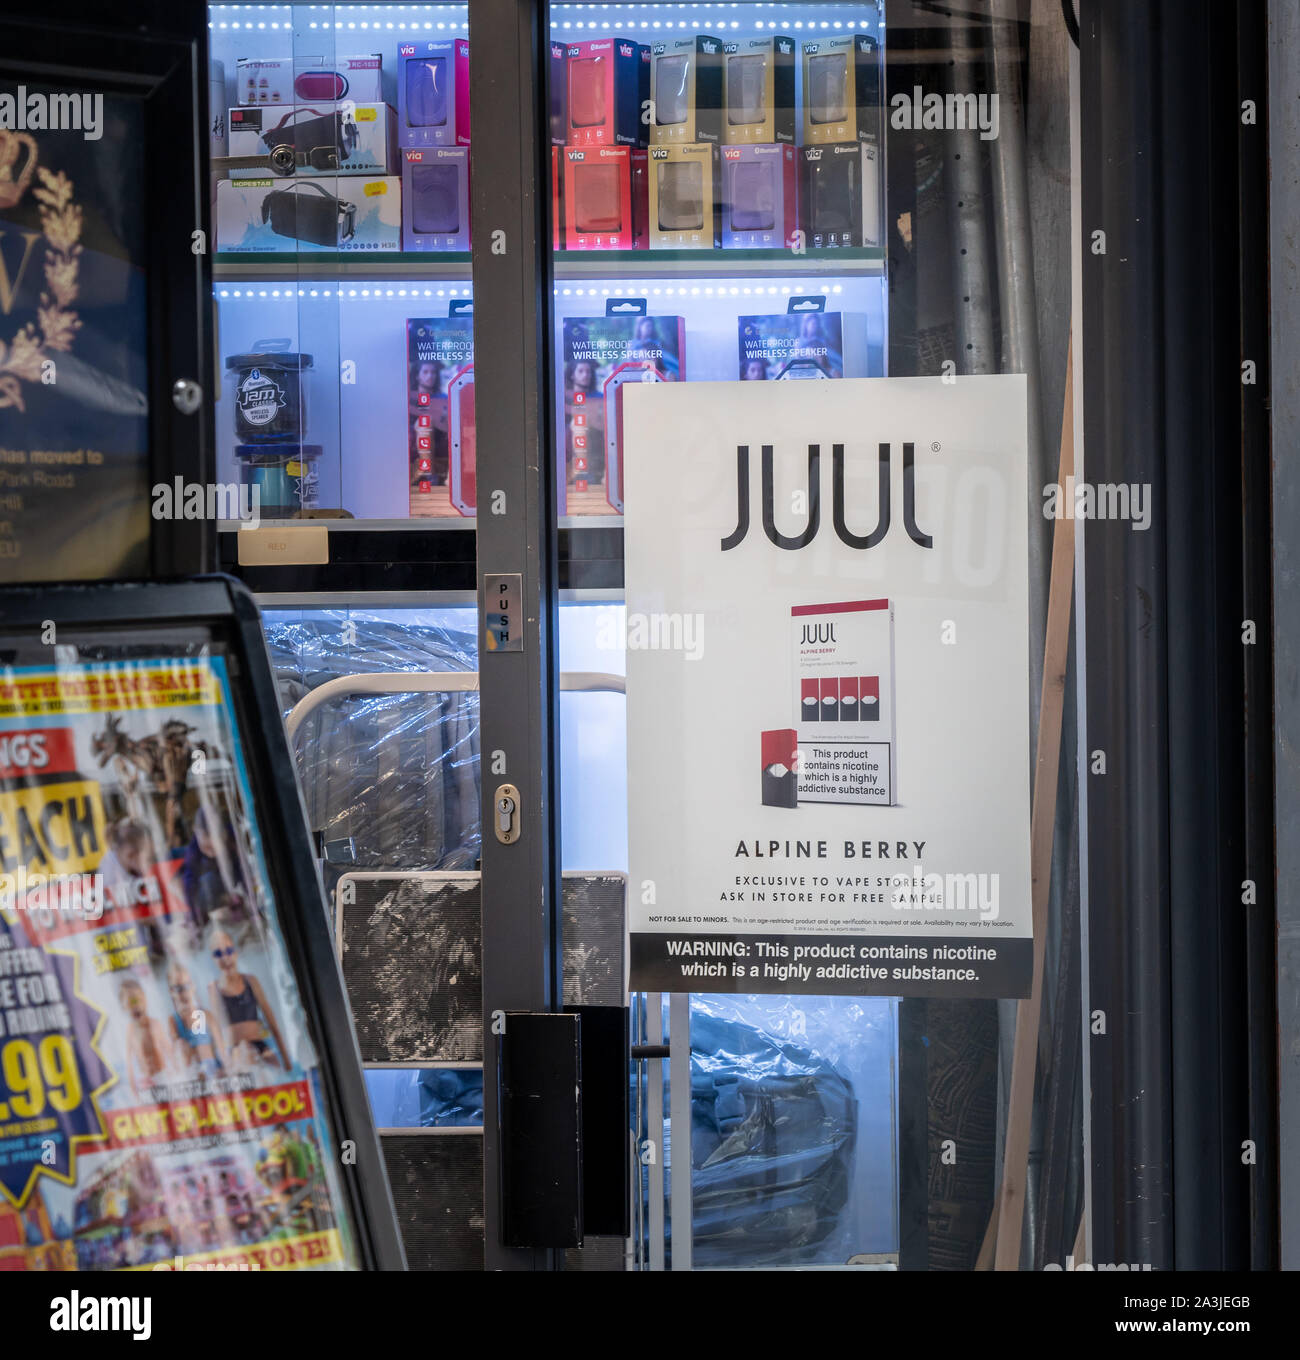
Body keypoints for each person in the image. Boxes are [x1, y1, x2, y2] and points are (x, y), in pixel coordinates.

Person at [207, 928, 290, 1073]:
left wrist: (286, 1060)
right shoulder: (213, 989)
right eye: (218, 954)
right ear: (213, 959)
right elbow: (215, 1032)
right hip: (235, 1051)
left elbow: (271, 1022)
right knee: (244, 1051)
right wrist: (224, 1064)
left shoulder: (251, 981)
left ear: (236, 953)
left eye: (228, 951)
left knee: (274, 1069)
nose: (225, 958)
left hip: (260, 1047)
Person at [178, 807, 246, 932]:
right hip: (210, 884)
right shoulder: (193, 850)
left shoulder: (233, 838)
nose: (212, 846)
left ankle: (235, 904)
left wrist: (248, 898)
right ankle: (204, 916)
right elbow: (189, 884)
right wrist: (194, 916)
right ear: (196, 832)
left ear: (224, 833)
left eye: (217, 839)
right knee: (207, 881)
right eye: (206, 845)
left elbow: (242, 869)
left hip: (231, 877)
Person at [165, 962, 226, 1080]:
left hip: (212, 1068)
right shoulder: (174, 1020)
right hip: (193, 1071)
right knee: (180, 1045)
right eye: (179, 989)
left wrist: (223, 1069)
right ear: (171, 992)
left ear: (193, 986)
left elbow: (221, 1048)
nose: (184, 993)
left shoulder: (205, 1015)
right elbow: (175, 1056)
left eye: (187, 986)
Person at [118, 978, 170, 1096]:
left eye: (138, 1000)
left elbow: (169, 1051)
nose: (135, 1005)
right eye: (130, 1002)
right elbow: (129, 1065)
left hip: (162, 1075)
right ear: (124, 1007)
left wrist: (176, 1072)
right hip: (146, 1080)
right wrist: (134, 1093)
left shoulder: (155, 1024)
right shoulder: (130, 1031)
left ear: (145, 1001)